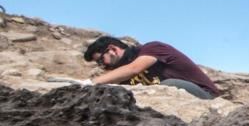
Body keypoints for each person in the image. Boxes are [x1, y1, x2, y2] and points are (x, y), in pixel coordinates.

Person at [83, 36, 221, 100]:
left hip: (205, 97)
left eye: (101, 60)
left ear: (112, 49)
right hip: (170, 102)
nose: (103, 66)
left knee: (168, 86)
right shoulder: (122, 75)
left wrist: (90, 83)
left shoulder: (153, 48)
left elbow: (134, 69)